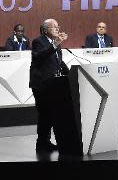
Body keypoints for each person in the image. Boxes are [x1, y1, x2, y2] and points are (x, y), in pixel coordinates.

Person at [29, 18, 69, 152]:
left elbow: (58, 62)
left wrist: (71, 73)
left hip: (53, 84)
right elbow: (39, 57)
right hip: (41, 84)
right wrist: (55, 44)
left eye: (58, 26)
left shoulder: (56, 43)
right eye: (54, 27)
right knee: (45, 114)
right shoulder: (38, 41)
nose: (57, 29)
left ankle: (45, 142)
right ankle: (42, 143)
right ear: (45, 30)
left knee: (51, 114)